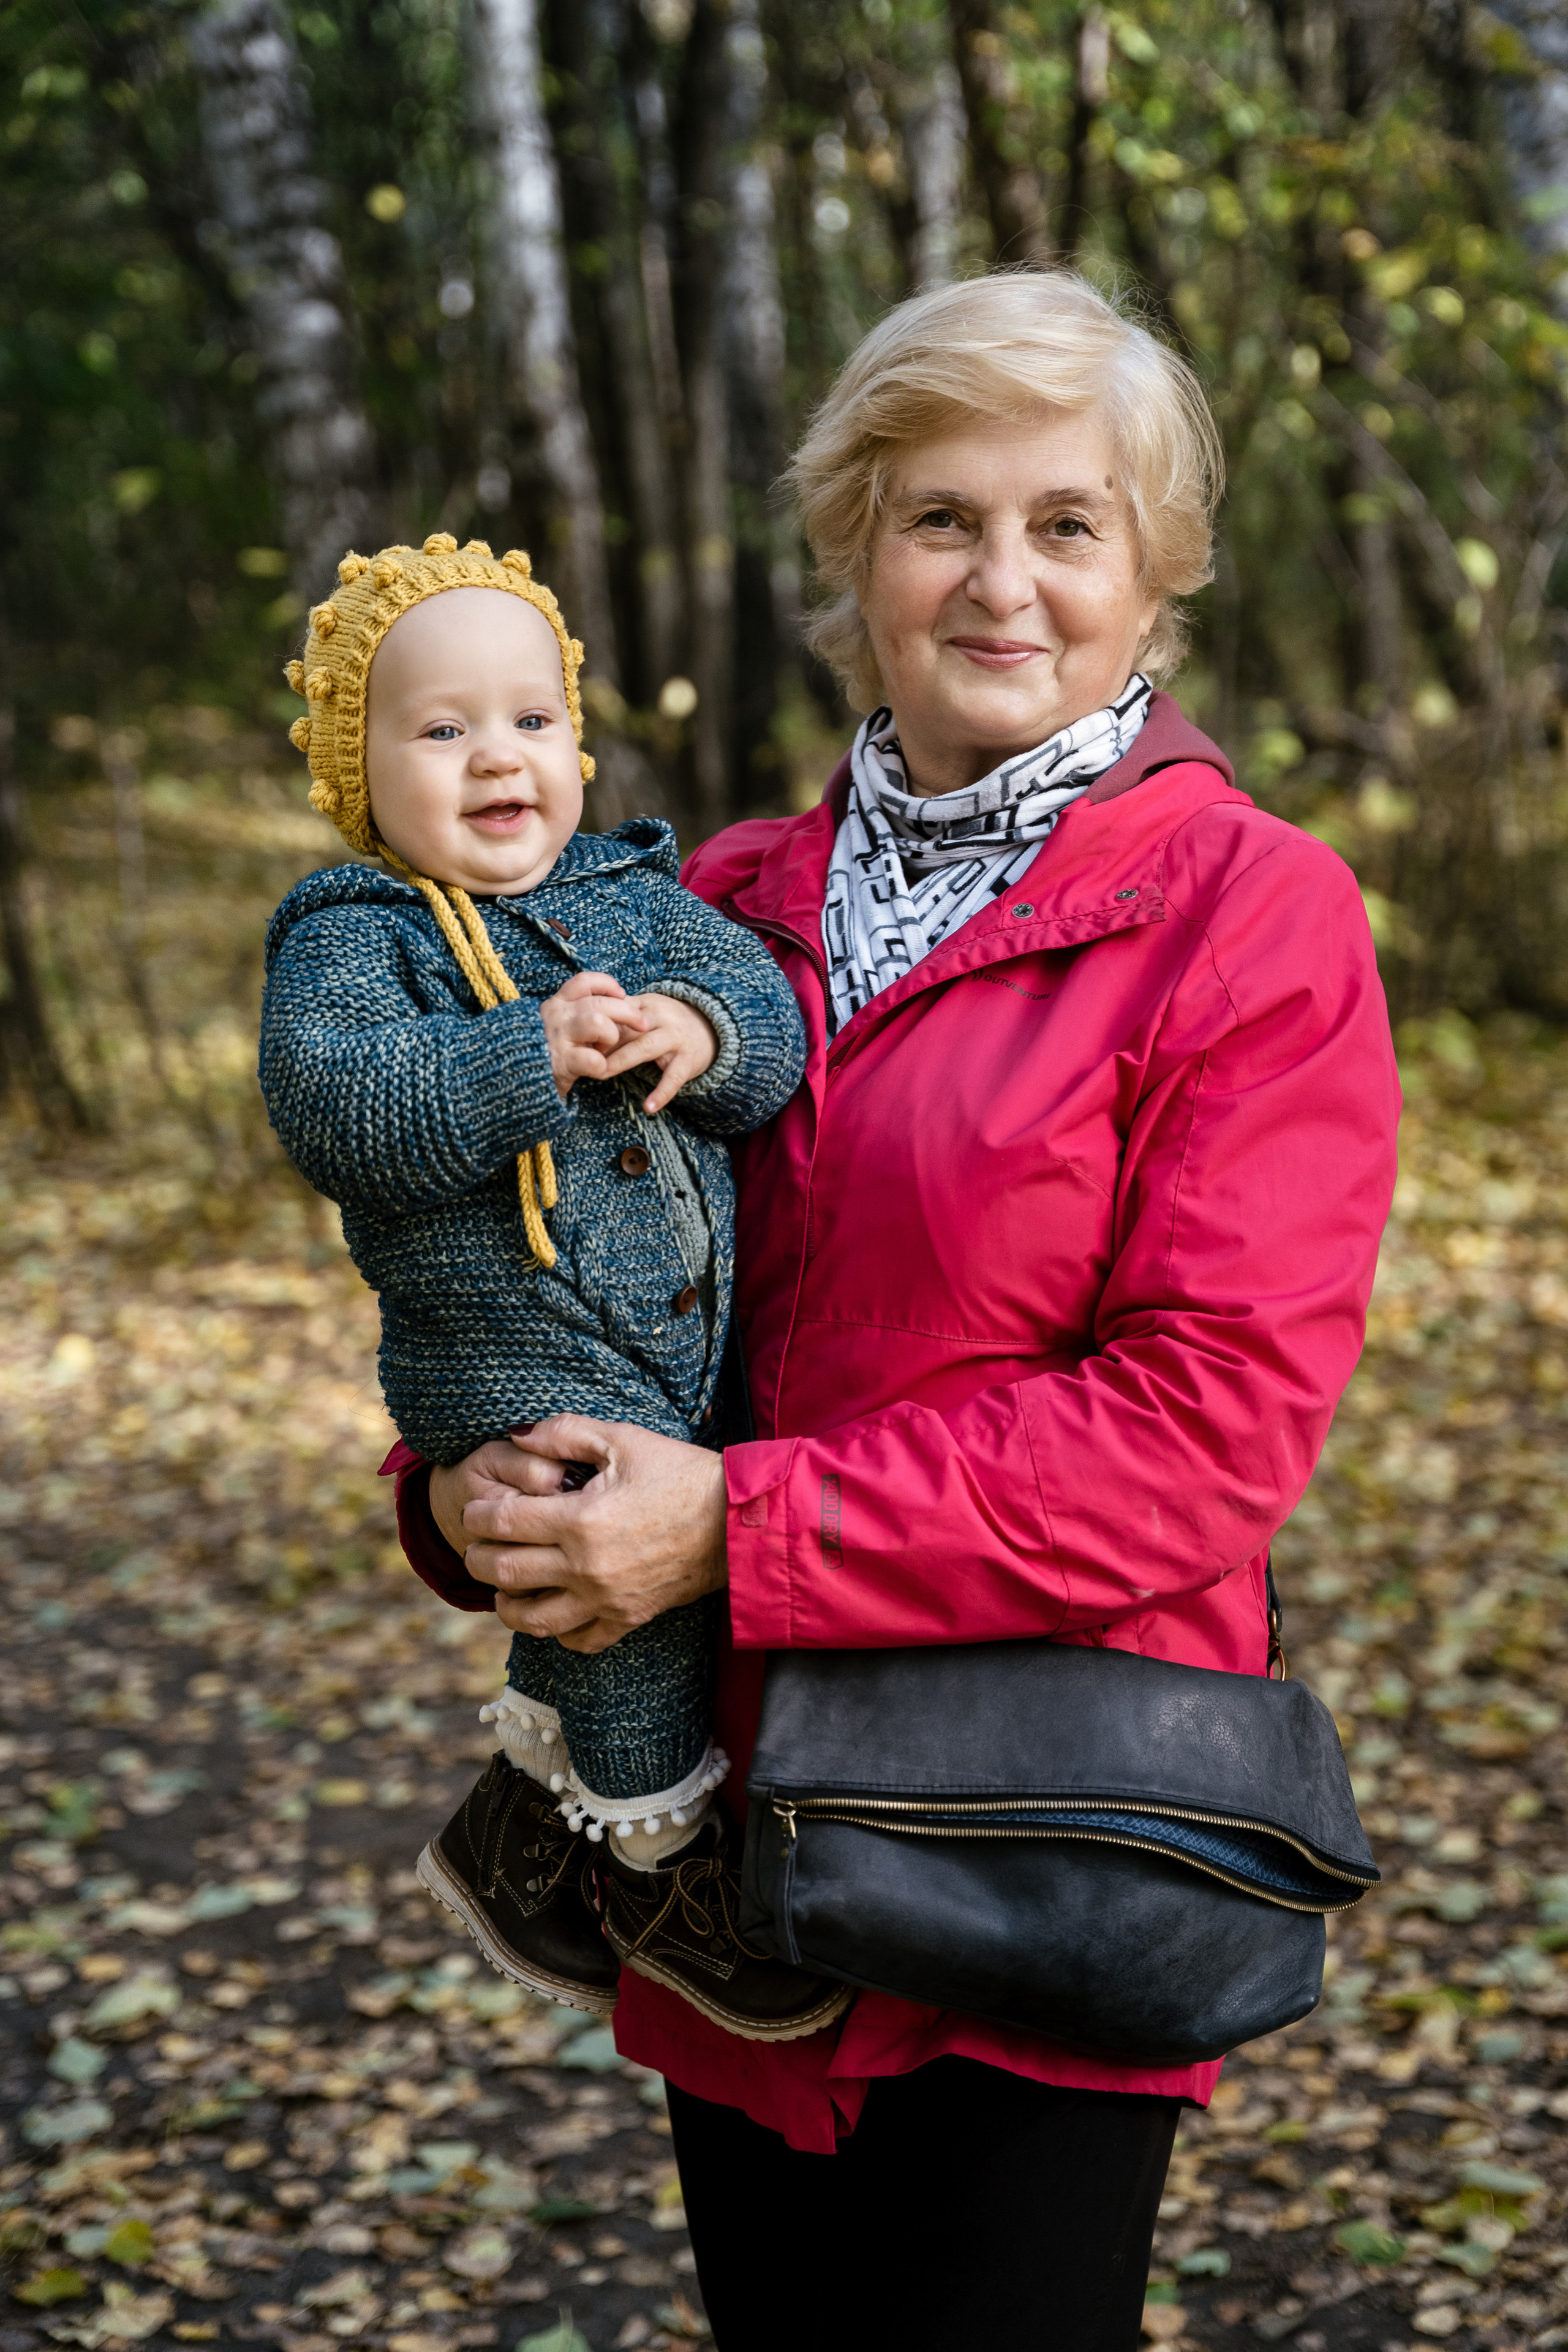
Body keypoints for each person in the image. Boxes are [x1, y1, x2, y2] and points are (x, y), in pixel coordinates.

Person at [391, 275, 1401, 2349]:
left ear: (1155, 572)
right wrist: (473, 1481)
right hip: (731, 1847)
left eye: (1068, 524)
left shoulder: (1251, 915)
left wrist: (730, 1529)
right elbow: (549, 1263)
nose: (1002, 581)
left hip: (1042, 1829)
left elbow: (1204, 1433)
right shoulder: (711, 903)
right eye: (942, 517)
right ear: (858, 546)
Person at [259, 532, 845, 2042]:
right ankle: (657, 1862)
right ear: (360, 767)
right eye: (441, 730)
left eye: (529, 720)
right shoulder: (353, 936)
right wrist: (520, 1051)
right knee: (615, 1589)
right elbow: (339, 1111)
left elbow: (772, 1034)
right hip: (501, 1348)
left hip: (676, 1340)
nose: (495, 757)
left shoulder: (639, 894)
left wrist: (705, 1041)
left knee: (638, 1575)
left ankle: (523, 1831)